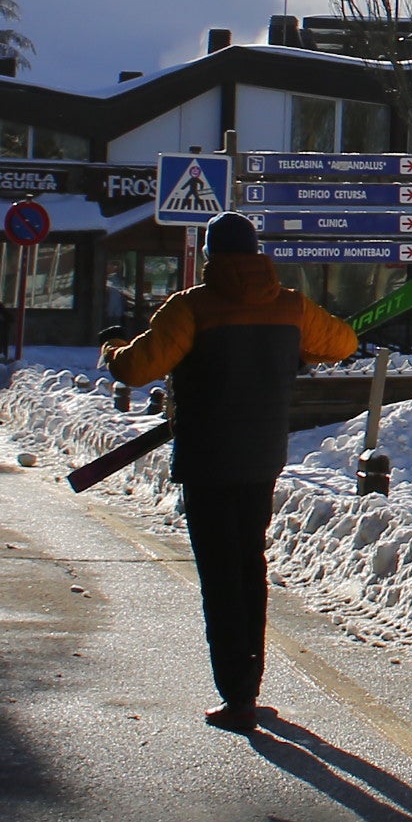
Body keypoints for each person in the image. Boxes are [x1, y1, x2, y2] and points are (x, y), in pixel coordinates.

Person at [102, 213, 359, 732]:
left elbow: (137, 368)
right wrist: (296, 347)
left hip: (208, 459)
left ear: (209, 257)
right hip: (262, 456)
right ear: (258, 253)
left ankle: (236, 697)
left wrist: (110, 349)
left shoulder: (191, 308)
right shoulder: (291, 306)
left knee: (220, 577)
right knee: (249, 567)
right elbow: (344, 344)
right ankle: (251, 683)